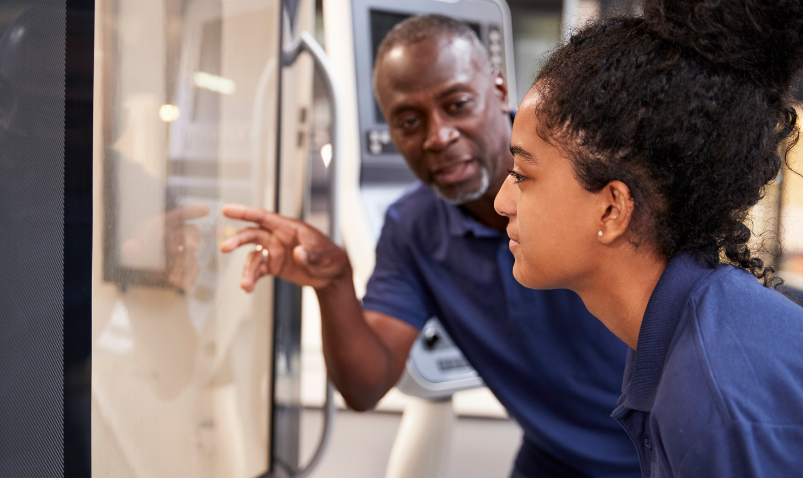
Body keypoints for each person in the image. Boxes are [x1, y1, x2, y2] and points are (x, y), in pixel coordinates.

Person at [222, 15, 639, 477]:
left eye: (457, 104)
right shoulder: (414, 228)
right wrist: (334, 282)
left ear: (501, 92)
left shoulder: (591, 181)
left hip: (663, 453)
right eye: (408, 121)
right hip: (555, 459)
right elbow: (365, 387)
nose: (438, 136)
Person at [493, 0, 803, 476]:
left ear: (613, 208)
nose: (502, 202)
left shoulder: (712, 397)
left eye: (521, 174)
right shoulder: (681, 333)